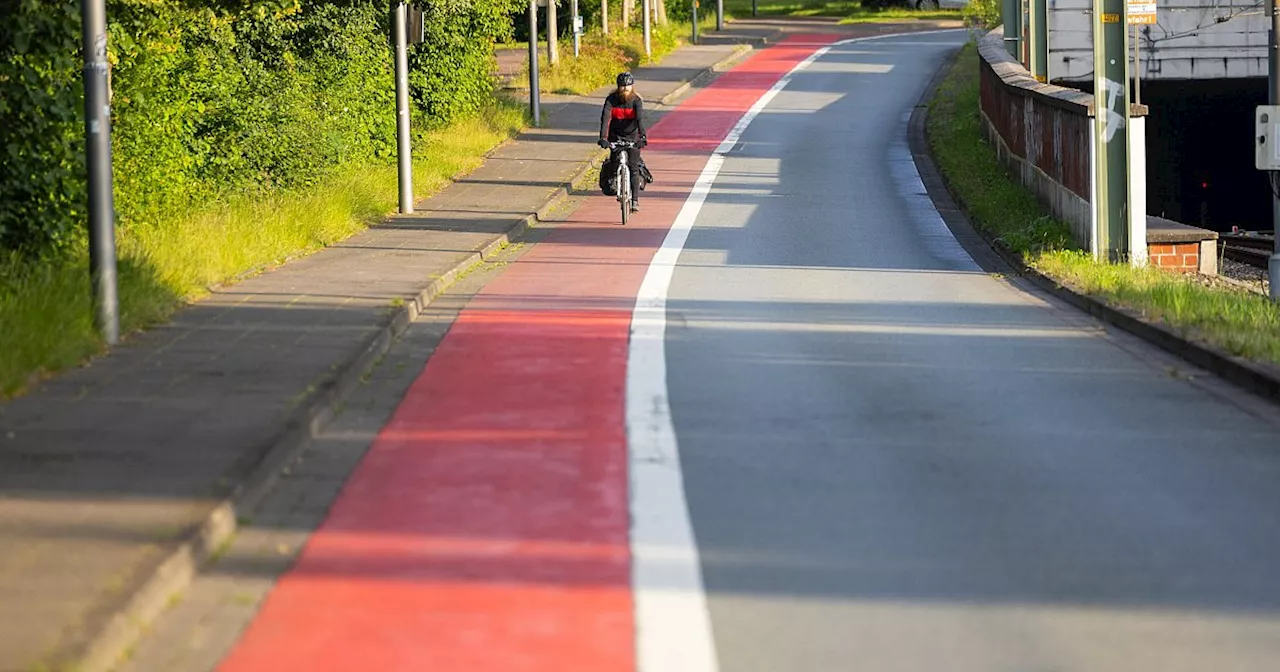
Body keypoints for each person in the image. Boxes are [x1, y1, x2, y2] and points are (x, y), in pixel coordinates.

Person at [598, 71, 648, 212]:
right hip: (616, 137)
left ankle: (635, 201)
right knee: (614, 163)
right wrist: (603, 138)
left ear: (632, 87)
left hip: (632, 137)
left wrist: (642, 137)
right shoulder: (611, 100)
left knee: (633, 167)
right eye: (622, 86)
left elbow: (640, 120)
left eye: (628, 86)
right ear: (618, 87)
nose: (625, 89)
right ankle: (615, 184)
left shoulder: (636, 101)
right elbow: (605, 120)